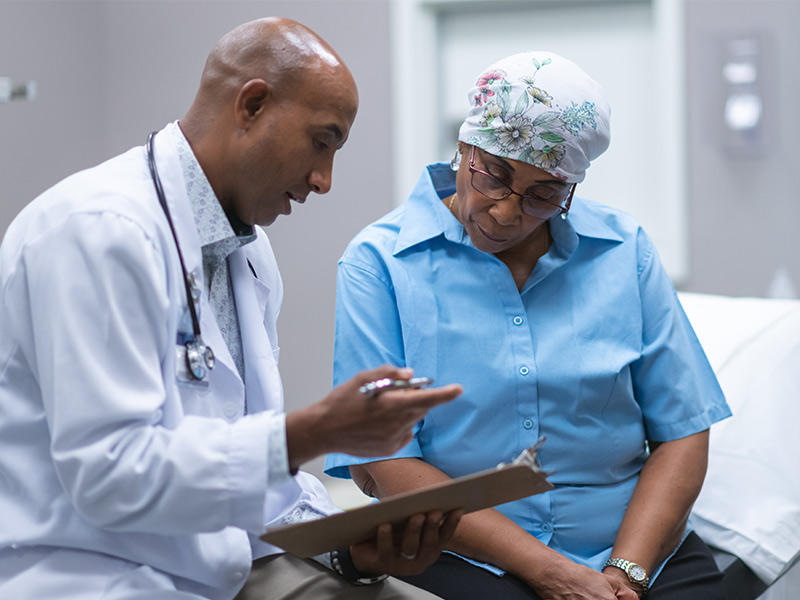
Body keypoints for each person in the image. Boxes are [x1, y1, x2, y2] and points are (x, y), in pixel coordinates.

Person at [0, 17, 464, 600]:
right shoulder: (97, 232)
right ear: (252, 105)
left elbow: (242, 463)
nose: (323, 181)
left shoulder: (247, 254)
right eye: (322, 142)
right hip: (91, 572)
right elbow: (110, 476)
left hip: (225, 563)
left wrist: (345, 548)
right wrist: (317, 430)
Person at [325, 51, 732, 600]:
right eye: (493, 176)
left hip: (634, 549)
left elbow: (683, 430)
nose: (505, 212)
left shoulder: (623, 252)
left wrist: (624, 574)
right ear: (465, 146)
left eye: (543, 195)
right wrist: (554, 574)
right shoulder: (380, 265)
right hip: (468, 552)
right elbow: (386, 465)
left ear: (570, 190)